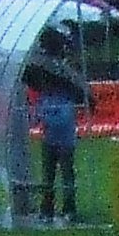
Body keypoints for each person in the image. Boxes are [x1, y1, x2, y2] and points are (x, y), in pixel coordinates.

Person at [33, 86, 79, 224]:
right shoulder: (45, 96)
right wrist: (45, 116)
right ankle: (46, 210)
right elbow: (37, 114)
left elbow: (64, 119)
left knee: (67, 176)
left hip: (66, 142)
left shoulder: (67, 96)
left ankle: (69, 210)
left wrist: (46, 118)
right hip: (49, 141)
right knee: (47, 177)